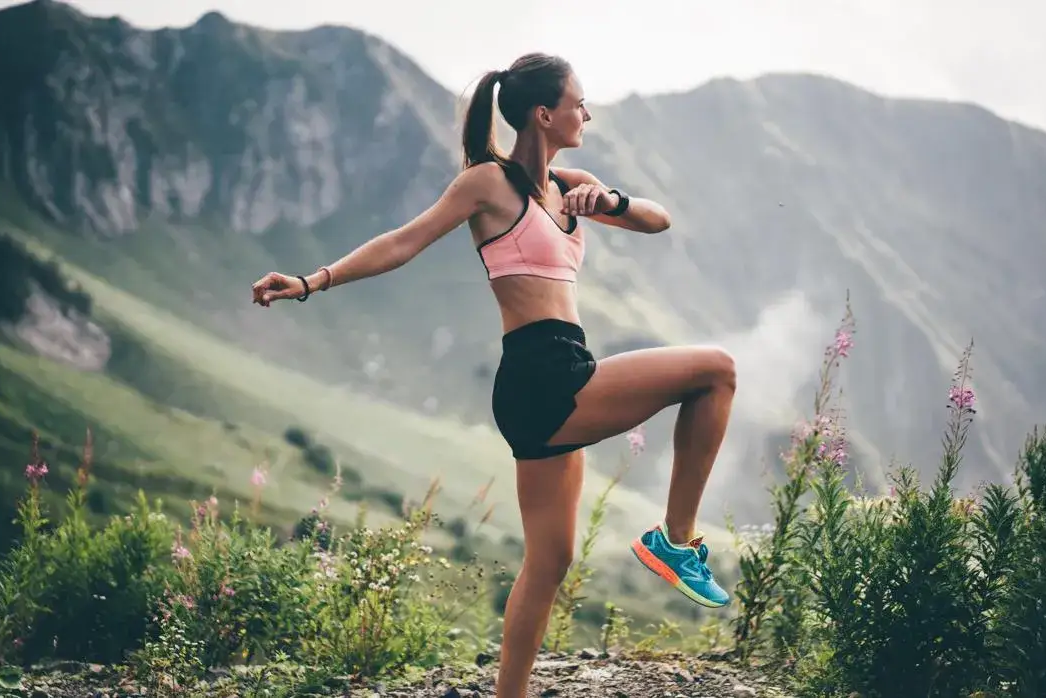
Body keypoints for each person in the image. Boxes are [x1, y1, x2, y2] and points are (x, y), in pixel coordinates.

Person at [251, 52, 737, 698]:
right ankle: (676, 541)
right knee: (717, 373)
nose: (587, 112)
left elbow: (658, 219)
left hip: (557, 373)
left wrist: (610, 198)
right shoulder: (488, 185)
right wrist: (312, 283)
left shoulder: (571, 187)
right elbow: (404, 241)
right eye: (578, 102)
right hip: (543, 376)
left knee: (550, 561)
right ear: (545, 113)